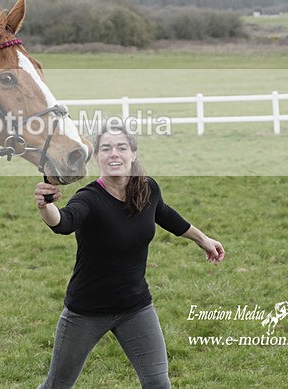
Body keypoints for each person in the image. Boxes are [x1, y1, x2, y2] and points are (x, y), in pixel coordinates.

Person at [33, 122, 225, 388]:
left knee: (159, 383)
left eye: (121, 147)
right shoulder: (89, 199)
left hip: (136, 308)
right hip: (86, 311)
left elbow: (165, 214)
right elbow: (64, 222)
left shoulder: (147, 189)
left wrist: (203, 239)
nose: (114, 154)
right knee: (57, 384)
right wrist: (46, 206)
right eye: (106, 148)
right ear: (98, 157)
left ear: (133, 154)